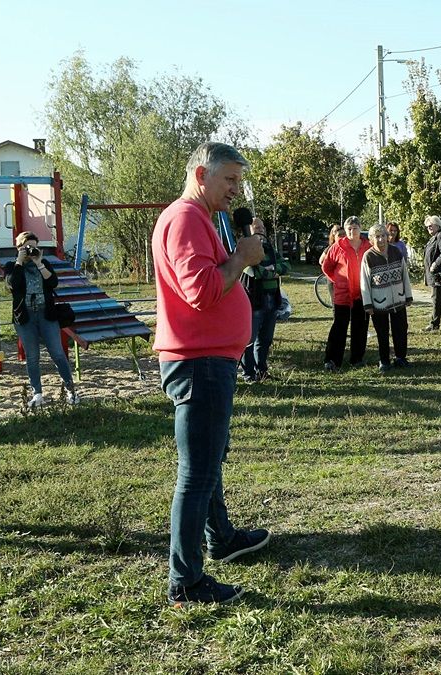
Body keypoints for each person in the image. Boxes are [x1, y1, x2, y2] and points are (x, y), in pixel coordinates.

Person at [152, 141, 271, 606]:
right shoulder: (185, 218)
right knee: (197, 472)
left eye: (237, 181)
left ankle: (220, 536)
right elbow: (201, 291)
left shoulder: (197, 218)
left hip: (208, 358)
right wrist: (241, 259)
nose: (235, 190)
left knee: (208, 459)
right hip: (198, 362)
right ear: (202, 175)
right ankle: (185, 581)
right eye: (229, 180)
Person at [4, 231, 78, 408]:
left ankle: (71, 390)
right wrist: (20, 261)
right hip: (25, 316)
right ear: (19, 247)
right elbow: (12, 285)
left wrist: (38, 263)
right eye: (26, 247)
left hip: (47, 314)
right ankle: (37, 393)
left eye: (33, 247)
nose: (30, 250)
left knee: (58, 353)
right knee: (32, 357)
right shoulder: (12, 265)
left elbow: (53, 283)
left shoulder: (43, 263)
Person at [240, 216, 289, 383]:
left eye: (262, 227)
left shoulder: (269, 249)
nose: (261, 230)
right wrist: (272, 272)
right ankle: (248, 374)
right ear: (249, 230)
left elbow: (286, 266)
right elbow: (254, 271)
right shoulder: (244, 249)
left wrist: (272, 270)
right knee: (249, 339)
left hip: (272, 300)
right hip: (254, 301)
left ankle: (261, 370)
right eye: (256, 228)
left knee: (265, 340)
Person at [321, 216, 373, 369]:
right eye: (349, 229)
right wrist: (338, 281)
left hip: (362, 293)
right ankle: (332, 359)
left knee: (360, 327)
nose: (352, 231)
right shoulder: (338, 246)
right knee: (339, 326)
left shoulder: (367, 246)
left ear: (360, 229)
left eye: (355, 228)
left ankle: (357, 358)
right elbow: (327, 267)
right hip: (342, 294)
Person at [360, 223, 412, 372]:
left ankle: (401, 358)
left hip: (398, 299)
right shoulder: (368, 256)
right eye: (377, 237)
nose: (381, 240)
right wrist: (368, 304)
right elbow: (364, 281)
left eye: (383, 236)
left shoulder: (396, 251)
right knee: (382, 332)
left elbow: (404, 275)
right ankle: (384, 361)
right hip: (379, 302)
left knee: (401, 329)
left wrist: (408, 295)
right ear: (371, 239)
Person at [422, 215, 441, 331]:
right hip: (434, 275)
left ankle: (434, 324)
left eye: (431, 225)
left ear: (438, 225)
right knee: (436, 299)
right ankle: (434, 324)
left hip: (440, 275)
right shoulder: (433, 238)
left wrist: (435, 264)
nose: (428, 227)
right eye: (427, 226)